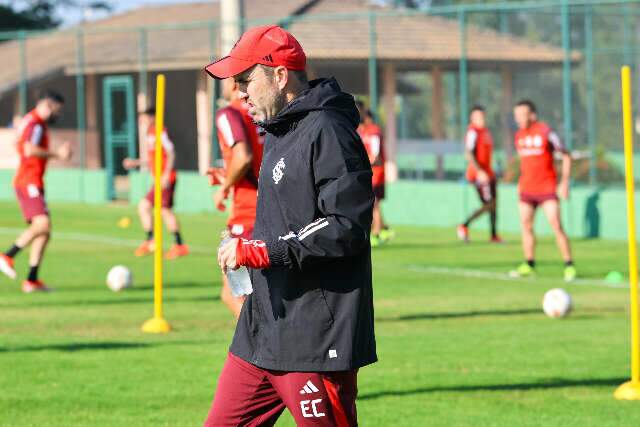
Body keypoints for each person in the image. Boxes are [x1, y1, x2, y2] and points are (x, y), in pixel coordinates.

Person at [204, 25, 376, 426]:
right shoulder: (279, 131)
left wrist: (265, 250)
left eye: (246, 80)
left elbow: (345, 225)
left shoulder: (329, 131)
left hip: (313, 338)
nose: (239, 91)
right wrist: (249, 244)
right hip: (262, 331)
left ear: (280, 76)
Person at [0, 90, 72, 292]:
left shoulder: (30, 121)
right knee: (43, 224)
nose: (57, 115)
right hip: (28, 180)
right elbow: (29, 149)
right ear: (48, 105)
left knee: (44, 232)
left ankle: (31, 280)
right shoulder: (36, 124)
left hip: (33, 180)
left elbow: (19, 143)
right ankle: (7, 256)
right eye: (56, 110)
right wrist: (58, 153)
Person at [209, 77, 264, 319]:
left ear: (232, 84)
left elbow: (243, 157)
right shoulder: (261, 112)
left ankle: (259, 353)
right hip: (269, 210)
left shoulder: (227, 114)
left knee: (234, 294)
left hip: (248, 215)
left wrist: (224, 187)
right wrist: (227, 175)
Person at [510, 100, 576, 282]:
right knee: (526, 226)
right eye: (516, 116)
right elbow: (524, 162)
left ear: (532, 115)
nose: (519, 119)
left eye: (522, 115)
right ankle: (529, 264)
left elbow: (566, 155)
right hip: (526, 189)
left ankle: (569, 265)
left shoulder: (546, 132)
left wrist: (564, 183)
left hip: (547, 188)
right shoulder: (519, 136)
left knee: (556, 225)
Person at [122, 108, 188, 260]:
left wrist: (165, 174)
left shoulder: (161, 131)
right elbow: (152, 158)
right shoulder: (150, 134)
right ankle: (155, 241)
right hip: (159, 179)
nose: (142, 121)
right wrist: (136, 162)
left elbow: (171, 153)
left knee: (163, 210)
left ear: (152, 117)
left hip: (166, 179)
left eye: (144, 117)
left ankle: (177, 245)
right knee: (148, 207)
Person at [457, 105, 502, 243]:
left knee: (494, 204)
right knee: (488, 204)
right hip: (478, 174)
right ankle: (464, 225)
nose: (481, 119)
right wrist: (479, 171)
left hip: (489, 173)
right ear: (472, 118)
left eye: (482, 116)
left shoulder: (486, 132)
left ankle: (493, 235)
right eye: (477, 116)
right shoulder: (472, 132)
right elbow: (469, 153)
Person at [356, 100, 394, 247]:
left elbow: (375, 156)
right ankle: (383, 229)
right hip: (368, 172)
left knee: (374, 204)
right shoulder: (362, 130)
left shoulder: (373, 131)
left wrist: (361, 162)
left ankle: (377, 233)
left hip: (376, 173)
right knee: (372, 204)